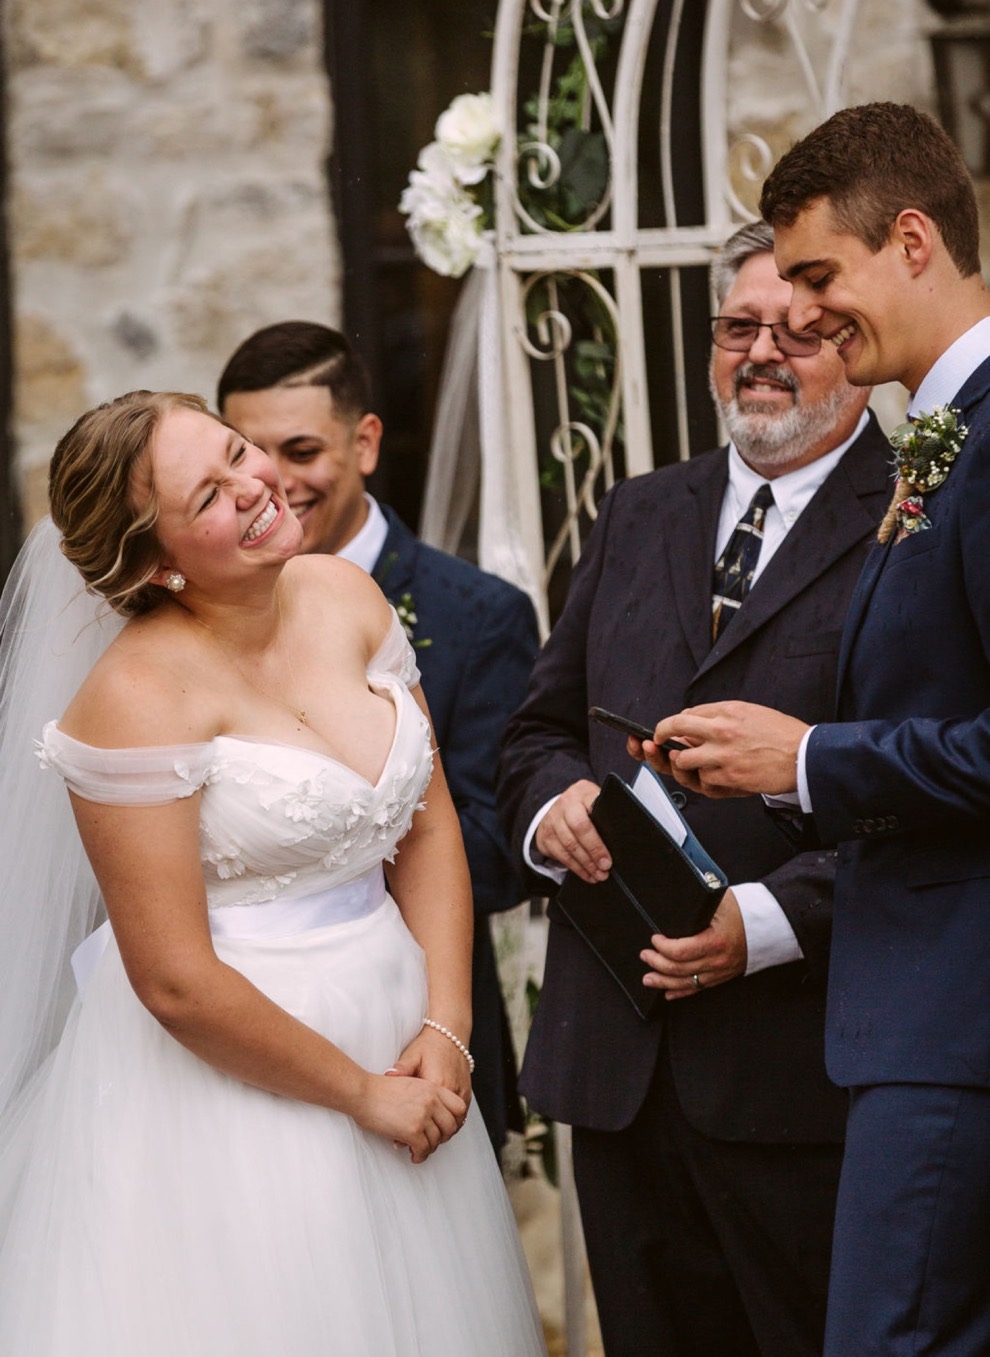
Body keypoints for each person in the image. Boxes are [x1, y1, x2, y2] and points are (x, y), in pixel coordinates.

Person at [0, 389, 546, 1356]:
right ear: (159, 562)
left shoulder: (344, 592)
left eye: (238, 451)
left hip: (402, 1021)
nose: (256, 484)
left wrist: (447, 1029)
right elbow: (172, 978)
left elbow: (425, 828)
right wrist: (363, 1093)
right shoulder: (133, 697)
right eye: (209, 494)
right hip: (242, 1074)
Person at [497, 219, 894, 1357]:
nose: (762, 352)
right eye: (738, 328)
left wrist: (760, 925)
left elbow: (933, 788)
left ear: (855, 347)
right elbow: (533, 734)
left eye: (800, 331)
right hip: (617, 1066)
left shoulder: (909, 525)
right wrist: (551, 808)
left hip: (798, 1072)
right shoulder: (636, 511)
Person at [647, 103, 990, 1357]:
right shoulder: (941, 440)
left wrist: (802, 759)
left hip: (958, 1015)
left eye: (817, 277)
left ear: (912, 240)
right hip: (922, 1012)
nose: (802, 316)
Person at [217, 323, 539, 1153]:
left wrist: (312, 853)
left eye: (300, 450)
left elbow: (499, 846)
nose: (272, 483)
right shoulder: (194, 623)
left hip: (415, 1033)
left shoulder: (477, 614)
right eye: (247, 453)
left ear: (364, 443)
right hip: (241, 1043)